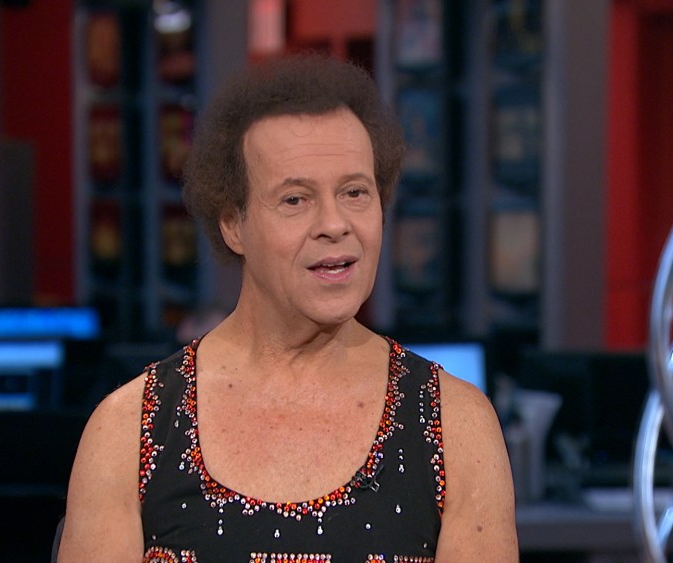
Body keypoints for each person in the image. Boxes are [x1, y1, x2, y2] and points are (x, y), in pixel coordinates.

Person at [58, 54, 518, 562]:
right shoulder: (128, 431)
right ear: (233, 224)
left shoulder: (457, 427)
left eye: (355, 192)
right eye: (295, 200)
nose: (335, 224)